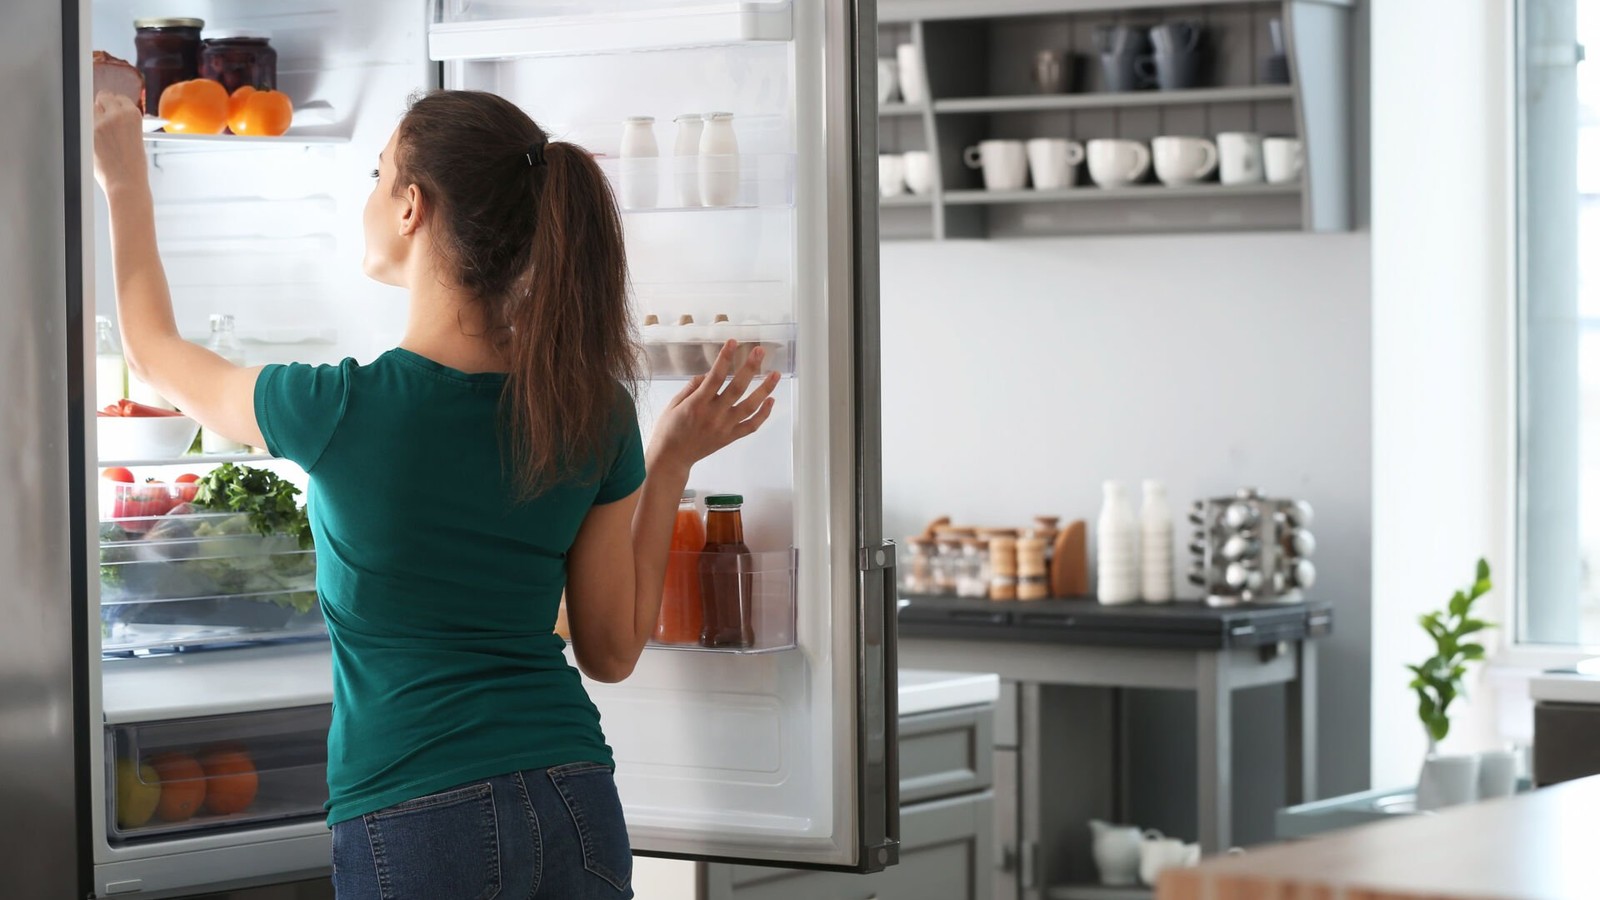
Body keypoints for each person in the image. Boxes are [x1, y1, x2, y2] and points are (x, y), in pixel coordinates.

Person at [92, 88, 779, 899]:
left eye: (378, 173)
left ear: (412, 208)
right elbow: (611, 651)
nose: (371, 195)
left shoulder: (339, 408)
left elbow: (154, 351)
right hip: (575, 798)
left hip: (420, 813)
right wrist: (665, 467)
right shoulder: (592, 409)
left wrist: (125, 176)